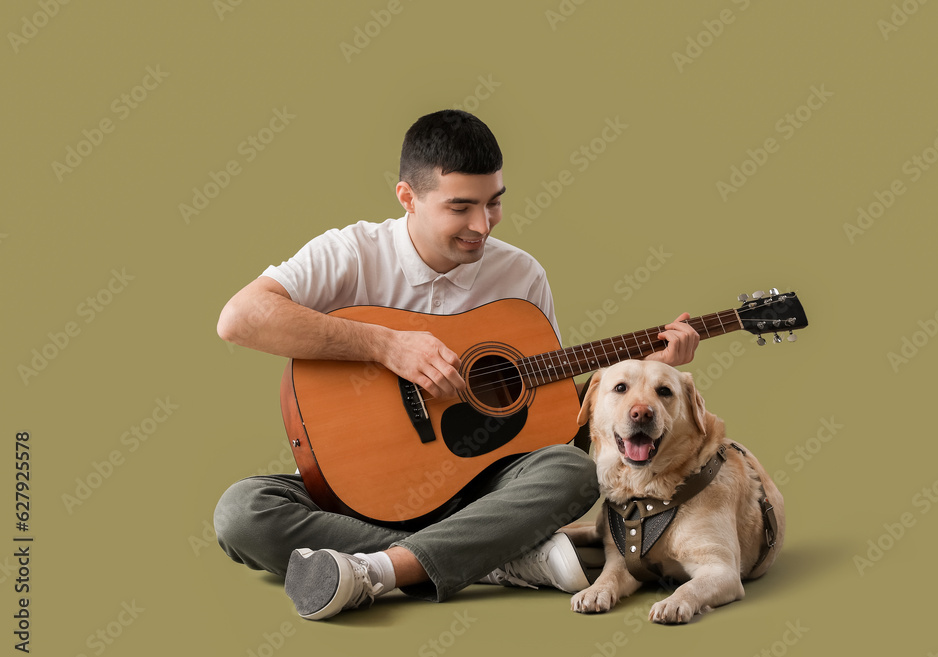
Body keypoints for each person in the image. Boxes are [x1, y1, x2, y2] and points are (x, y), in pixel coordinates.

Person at [213, 109, 699, 620]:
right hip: (356, 486)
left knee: (572, 472)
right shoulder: (351, 252)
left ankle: (378, 569)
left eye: (494, 203)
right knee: (242, 514)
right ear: (408, 198)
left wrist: (643, 372)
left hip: (481, 489)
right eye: (460, 207)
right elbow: (240, 318)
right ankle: (498, 559)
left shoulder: (522, 276)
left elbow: (550, 413)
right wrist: (386, 345)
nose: (481, 225)